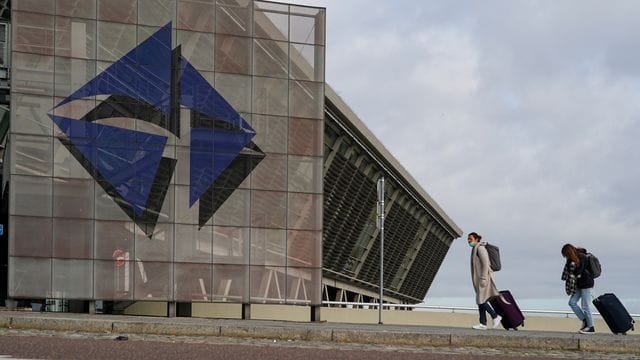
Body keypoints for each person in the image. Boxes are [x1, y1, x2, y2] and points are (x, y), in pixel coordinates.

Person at [468, 232, 502, 330]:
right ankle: (483, 323)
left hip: (483, 278)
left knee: (480, 300)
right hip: (480, 279)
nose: (469, 241)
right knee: (481, 300)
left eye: (470, 239)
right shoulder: (476, 249)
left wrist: (483, 278)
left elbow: (486, 263)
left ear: (476, 239)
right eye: (468, 239)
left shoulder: (480, 248)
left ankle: (495, 316)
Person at [561, 243, 595, 334]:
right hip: (578, 285)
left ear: (569, 252)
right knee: (572, 302)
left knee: (586, 305)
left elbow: (579, 272)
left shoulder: (582, 257)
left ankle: (591, 327)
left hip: (586, 284)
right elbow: (571, 272)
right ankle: (585, 320)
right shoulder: (570, 260)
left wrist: (573, 271)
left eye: (566, 255)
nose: (566, 257)